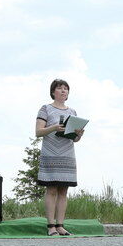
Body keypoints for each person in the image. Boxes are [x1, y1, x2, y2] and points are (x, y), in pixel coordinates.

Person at [35, 79, 85, 236]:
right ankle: (50, 226)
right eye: (60, 88)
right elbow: (38, 132)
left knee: (64, 191)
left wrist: (79, 134)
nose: (63, 91)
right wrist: (54, 127)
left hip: (67, 155)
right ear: (53, 92)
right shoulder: (46, 109)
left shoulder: (73, 112)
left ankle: (60, 225)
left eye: (66, 89)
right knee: (51, 189)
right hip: (50, 154)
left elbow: (74, 140)